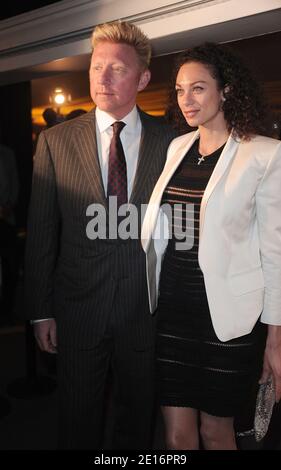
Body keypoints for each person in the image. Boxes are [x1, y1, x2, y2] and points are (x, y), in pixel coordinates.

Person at [24, 20, 176, 449]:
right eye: (96, 67)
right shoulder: (55, 142)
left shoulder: (172, 142)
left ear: (143, 78)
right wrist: (40, 310)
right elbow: (41, 233)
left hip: (144, 313)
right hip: (77, 310)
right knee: (76, 418)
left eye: (118, 69)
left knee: (137, 419)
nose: (102, 78)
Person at [141, 42, 281, 450]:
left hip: (228, 324)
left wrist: (275, 337)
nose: (187, 99)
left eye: (199, 88)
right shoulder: (177, 147)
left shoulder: (265, 154)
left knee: (215, 432)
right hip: (172, 313)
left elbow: (275, 252)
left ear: (227, 91)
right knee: (176, 434)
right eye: (181, 90)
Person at [0, 127, 19, 318]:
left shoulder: (7, 154)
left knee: (10, 266)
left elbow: (14, 183)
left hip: (6, 220)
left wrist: (9, 206)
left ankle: (8, 308)